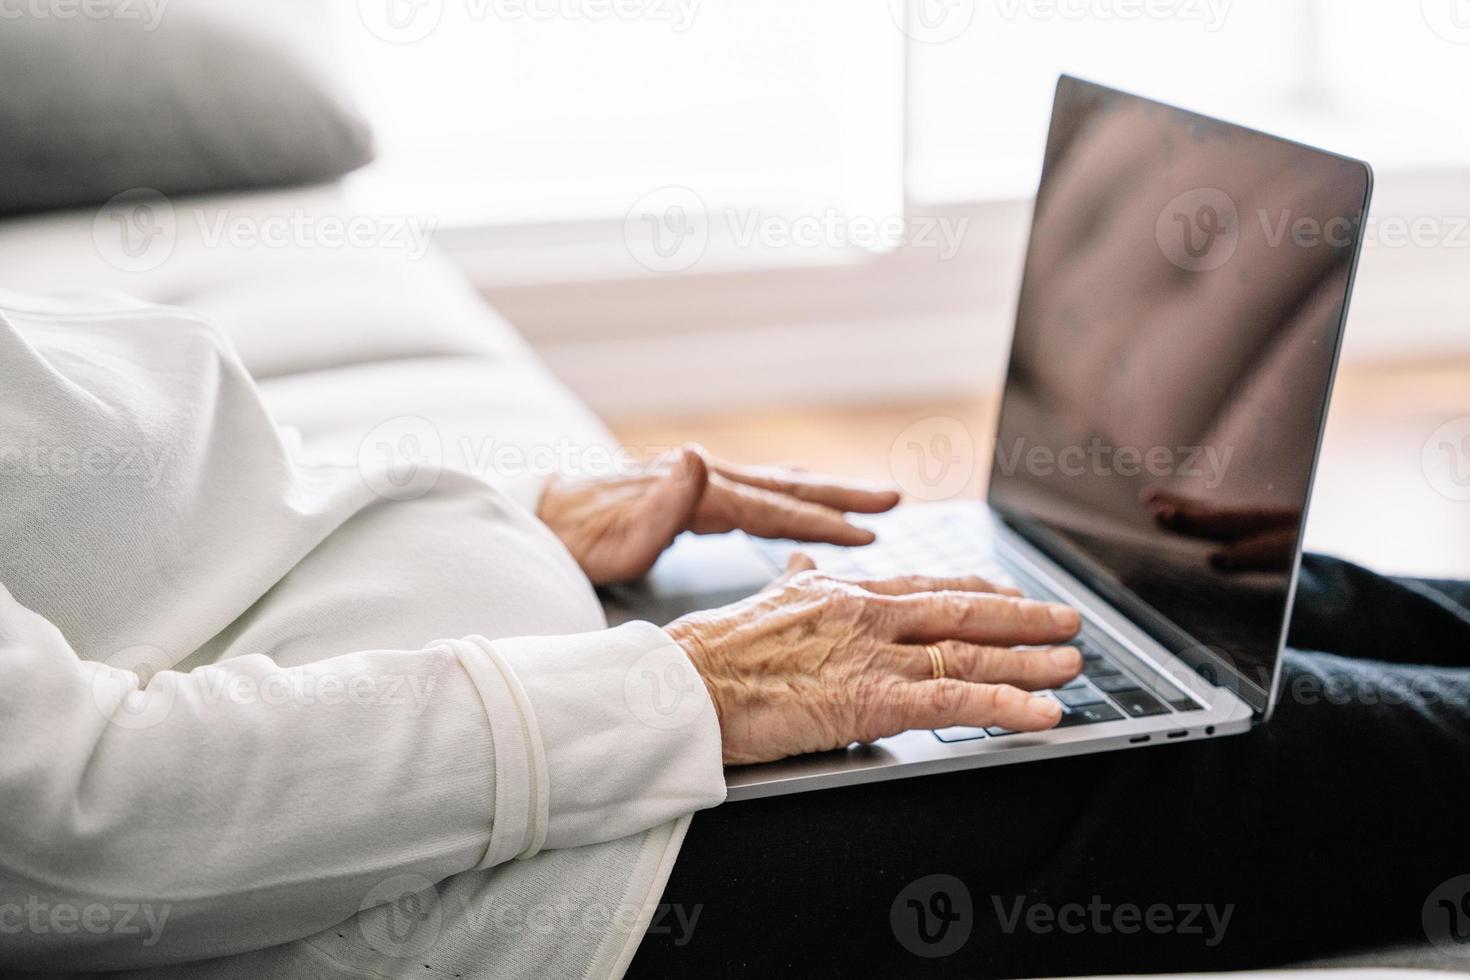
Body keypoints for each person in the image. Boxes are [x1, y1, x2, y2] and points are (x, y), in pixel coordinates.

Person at [0, 290, 1080, 977]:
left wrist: (511, 506)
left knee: (1119, 635)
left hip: (575, 689)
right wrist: (694, 688)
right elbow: (72, 819)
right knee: (1188, 771)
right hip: (511, 870)